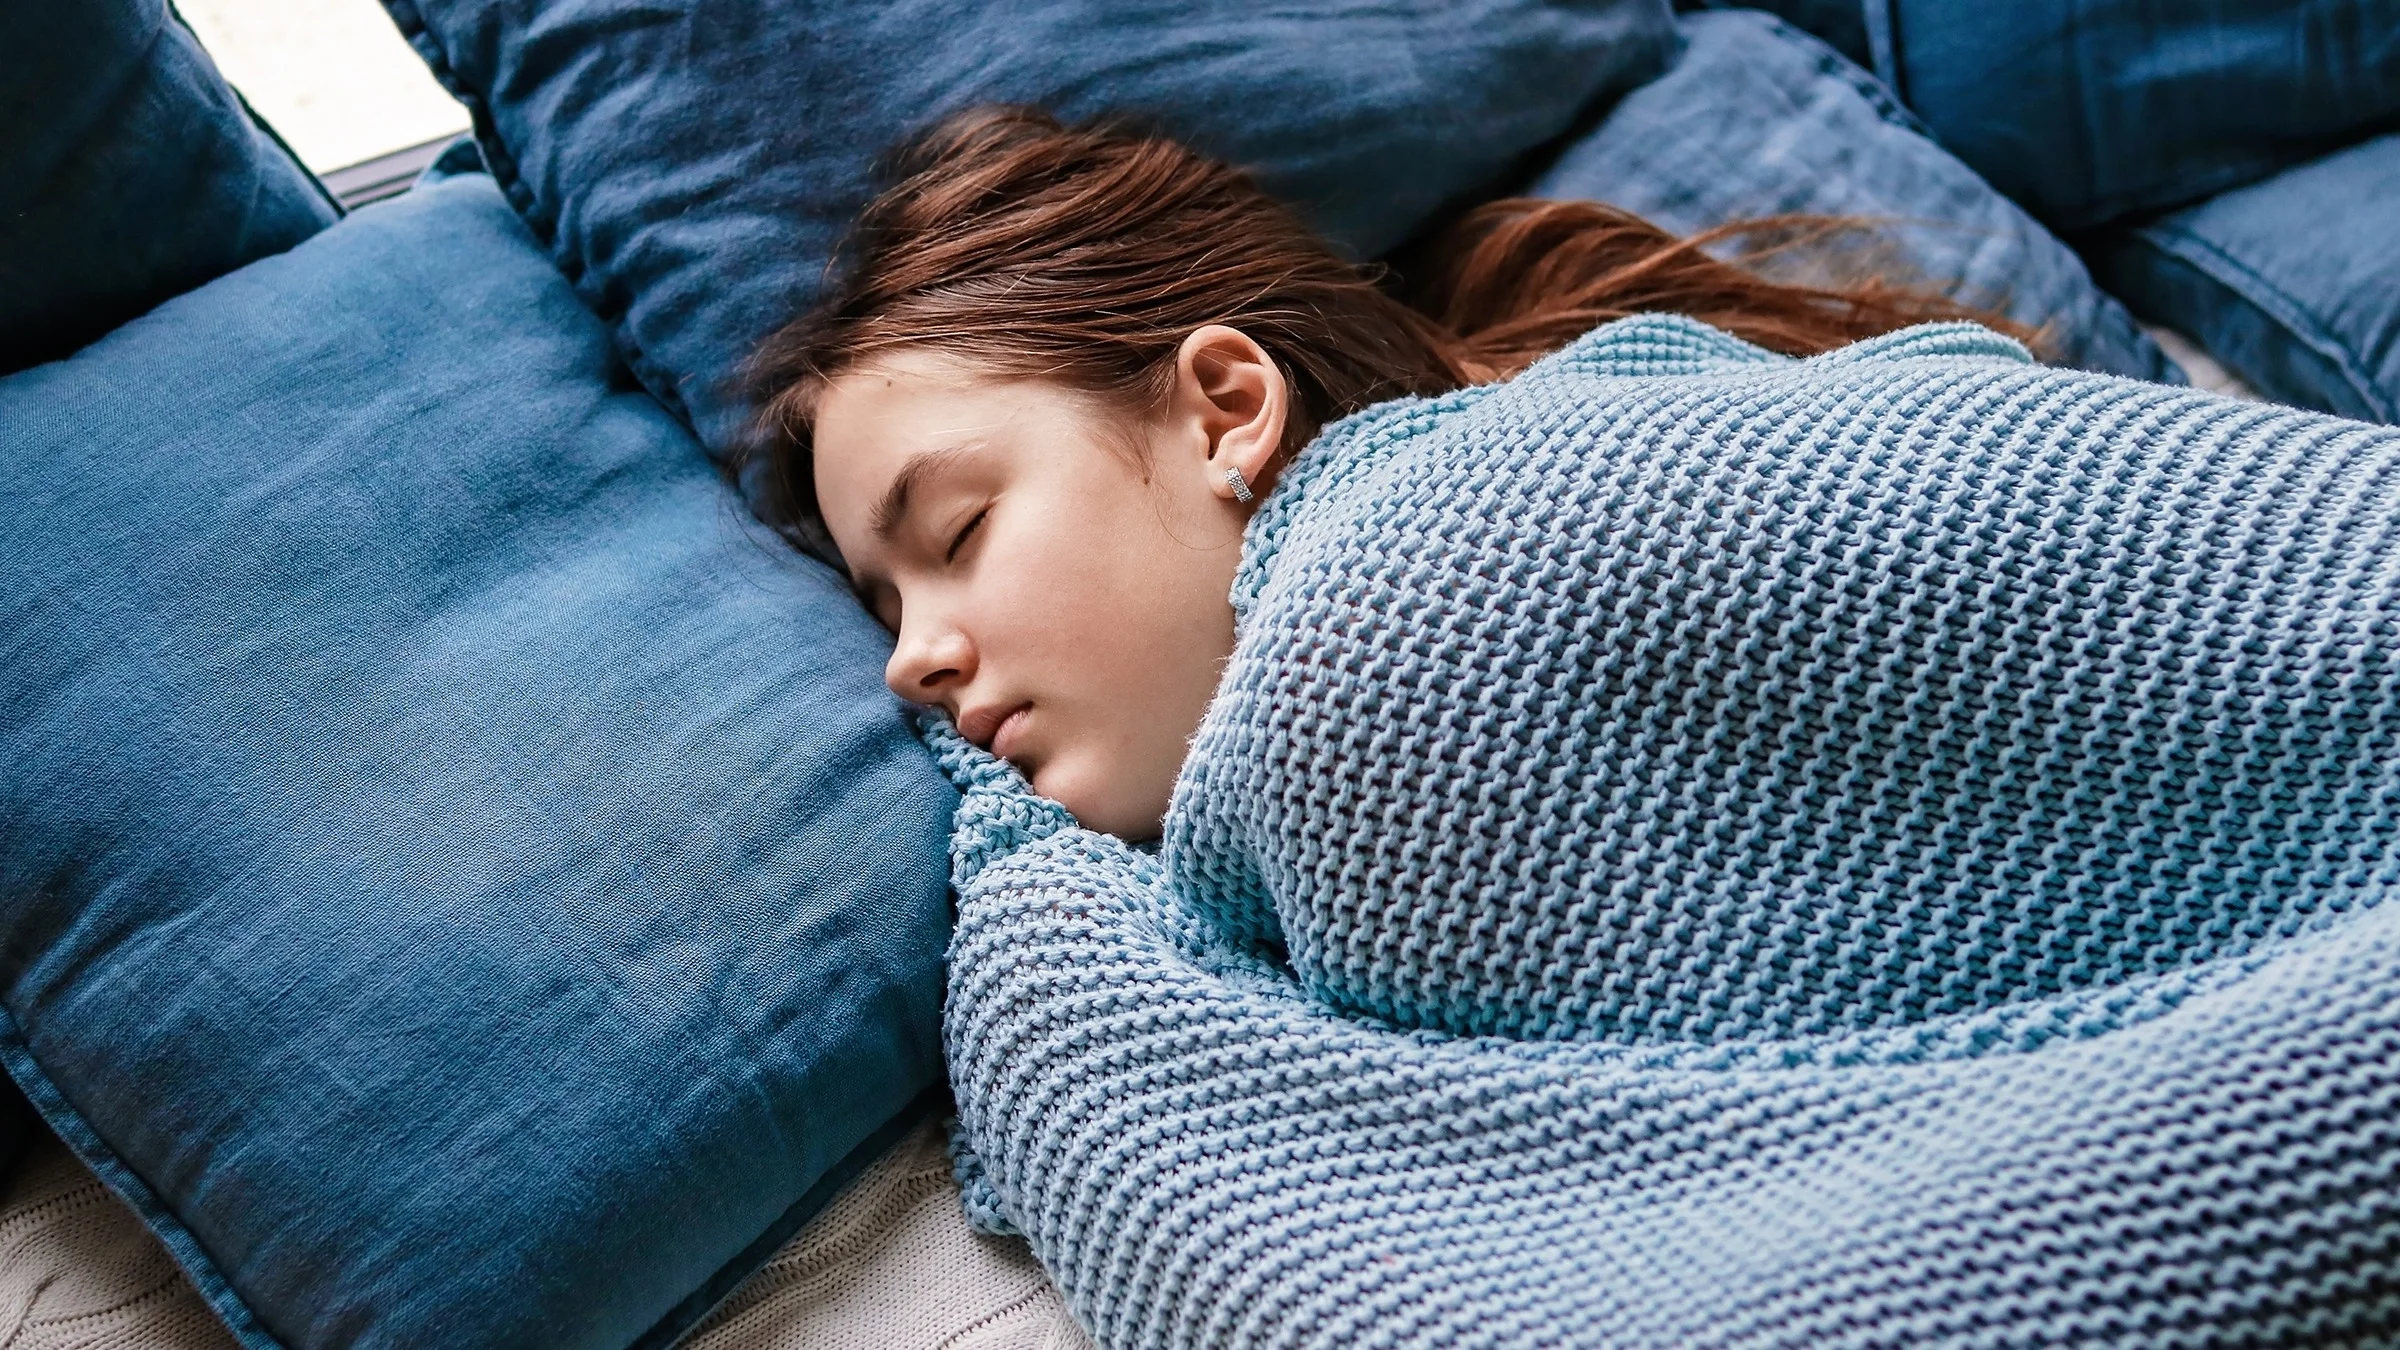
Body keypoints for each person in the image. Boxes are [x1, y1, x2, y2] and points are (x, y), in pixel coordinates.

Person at [741, 105, 2008, 840]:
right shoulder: (1129, 894)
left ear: (1226, 410)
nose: (908, 664)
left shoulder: (1562, 499)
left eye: (959, 533)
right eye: (886, 609)